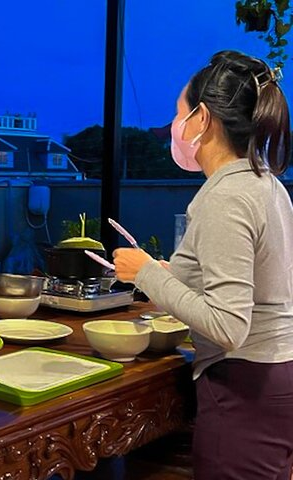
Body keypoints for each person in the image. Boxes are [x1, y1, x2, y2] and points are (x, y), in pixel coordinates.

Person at [113, 51, 293, 479]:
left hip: (244, 385)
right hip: (277, 374)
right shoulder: (266, 183)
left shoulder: (225, 197)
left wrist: (147, 274)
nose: (176, 127)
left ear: (203, 119)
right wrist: (178, 276)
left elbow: (230, 326)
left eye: (179, 114)